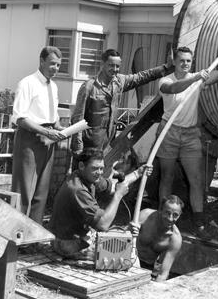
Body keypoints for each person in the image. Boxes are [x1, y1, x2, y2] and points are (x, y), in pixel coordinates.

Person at [156, 39, 218, 239]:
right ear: (174, 62)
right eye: (182, 61)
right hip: (168, 132)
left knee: (196, 180)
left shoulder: (197, 78)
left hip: (190, 134)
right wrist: (195, 79)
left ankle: (199, 223)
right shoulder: (165, 81)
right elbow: (174, 89)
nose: (186, 64)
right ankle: (162, 220)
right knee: (166, 177)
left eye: (189, 61)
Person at [49, 150, 151, 260]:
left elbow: (113, 186)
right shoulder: (78, 190)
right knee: (123, 255)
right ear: (82, 166)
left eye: (101, 168)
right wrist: (118, 195)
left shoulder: (88, 177)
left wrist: (138, 173)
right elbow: (103, 225)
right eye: (95, 168)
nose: (99, 172)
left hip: (76, 238)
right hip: (67, 245)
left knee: (121, 241)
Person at [70, 49, 173, 157]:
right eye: (111, 65)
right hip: (89, 144)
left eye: (117, 66)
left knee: (100, 172)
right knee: (82, 173)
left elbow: (143, 76)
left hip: (107, 144)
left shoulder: (119, 81)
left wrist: (166, 67)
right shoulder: (89, 87)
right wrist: (78, 147)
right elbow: (77, 118)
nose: (114, 69)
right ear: (103, 64)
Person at [10, 46, 66, 225]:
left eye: (58, 65)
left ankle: (33, 236)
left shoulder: (54, 86)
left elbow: (52, 115)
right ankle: (17, 234)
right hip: (30, 139)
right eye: (52, 64)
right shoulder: (27, 83)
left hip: (48, 139)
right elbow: (19, 118)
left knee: (41, 192)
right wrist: (44, 131)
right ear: (41, 61)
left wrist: (60, 128)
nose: (55, 69)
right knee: (24, 190)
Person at [130, 195, 184, 282]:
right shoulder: (145, 215)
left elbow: (163, 274)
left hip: (147, 268)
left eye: (175, 215)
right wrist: (130, 230)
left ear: (180, 215)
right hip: (128, 259)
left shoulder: (175, 239)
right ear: (160, 210)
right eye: (167, 212)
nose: (170, 218)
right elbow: (124, 237)